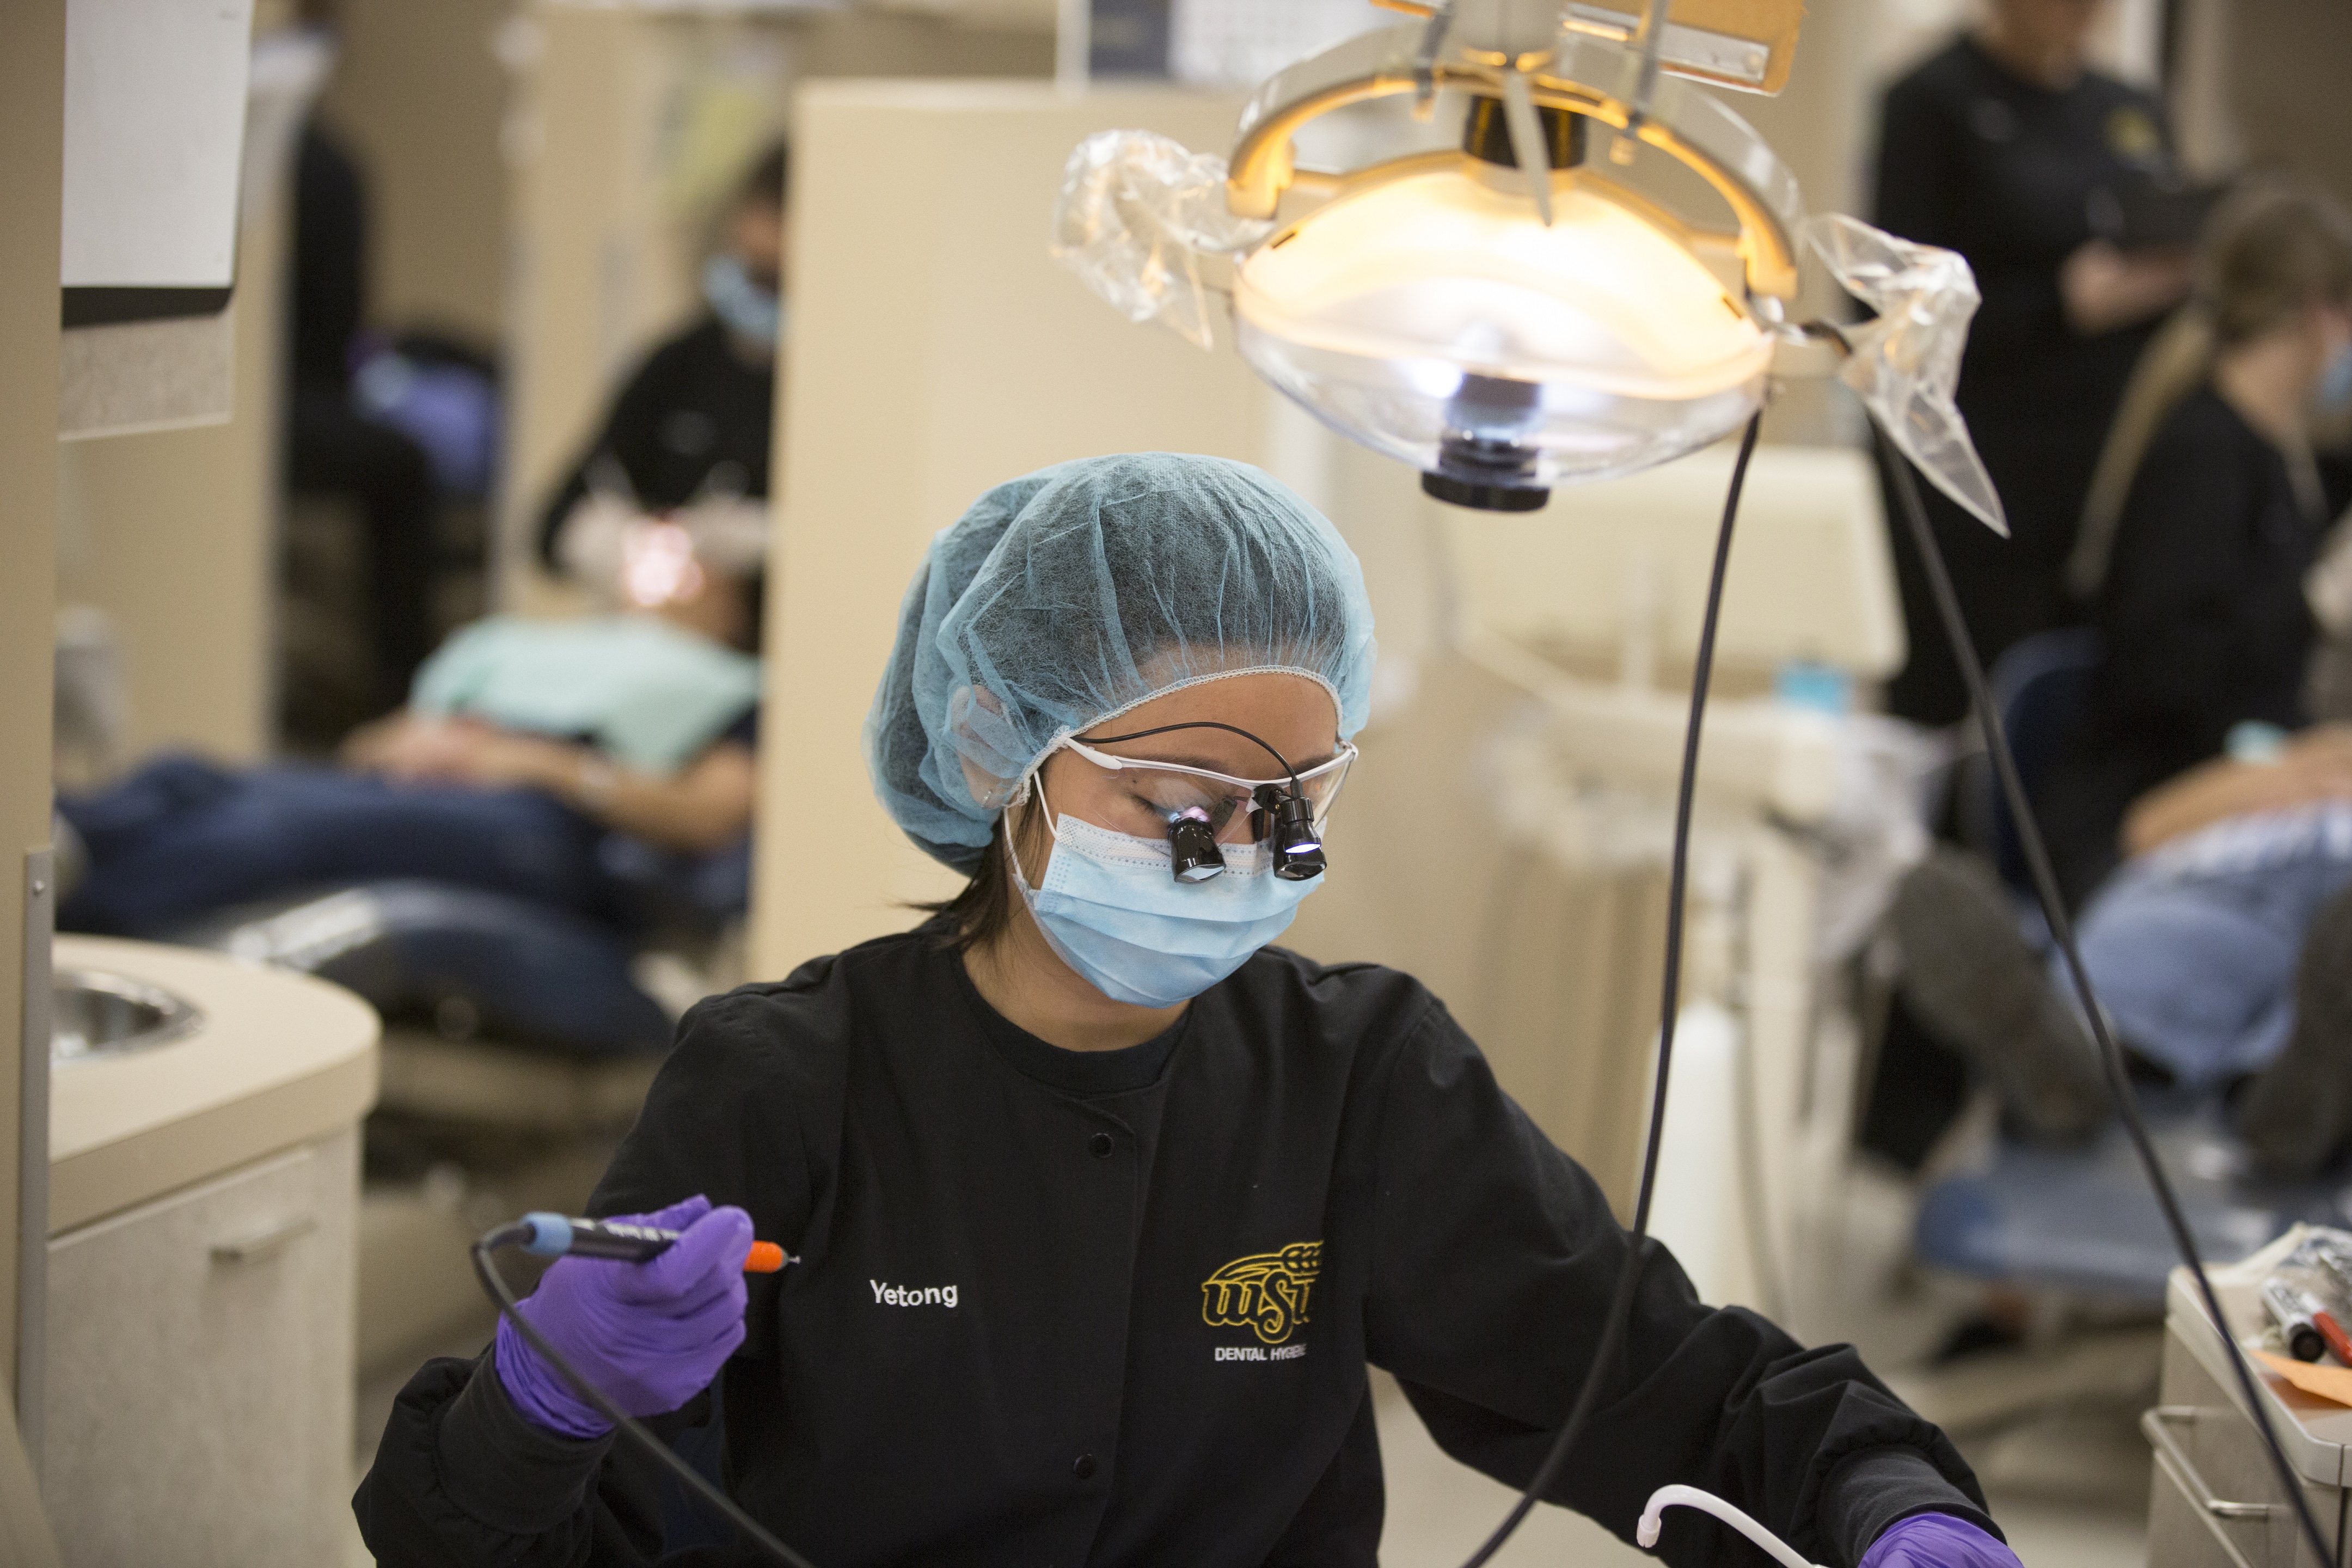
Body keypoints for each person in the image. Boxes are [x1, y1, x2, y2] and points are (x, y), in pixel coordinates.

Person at [352, 455, 2017, 1568]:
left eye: (1297, 800)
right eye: (1186, 794)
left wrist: (1888, 1505)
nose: (1249, 854)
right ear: (1003, 743)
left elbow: (1665, 1388)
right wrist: (542, 1407)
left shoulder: (1361, 1082)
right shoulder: (785, 1089)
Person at [53, 524, 761, 941]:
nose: (676, 566)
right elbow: (366, 748)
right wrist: (400, 745)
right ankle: (54, 842)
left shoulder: (735, 684)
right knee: (184, 776)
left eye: (700, 566)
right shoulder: (550, 644)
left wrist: (528, 762)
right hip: (433, 774)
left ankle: (68, 923)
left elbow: (710, 815)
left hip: (546, 820)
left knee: (279, 833)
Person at [1872, 0, 2196, 728]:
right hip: (1976, 464)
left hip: (2104, 470)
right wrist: (2061, 305)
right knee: (1960, 703)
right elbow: (1889, 308)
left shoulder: (2129, 108)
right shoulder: (1932, 101)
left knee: (2073, 708)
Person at [2038, 183, 2352, 906]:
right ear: (2316, 313)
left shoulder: (2273, 461)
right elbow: (2166, 674)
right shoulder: (2203, 454)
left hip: (2211, 773)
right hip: (2140, 806)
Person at [537, 143, 787, 578]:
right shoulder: (679, 363)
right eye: (753, 272)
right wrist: (641, 550)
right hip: (662, 625)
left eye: (776, 280)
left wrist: (757, 545)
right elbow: (553, 526)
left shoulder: (850, 388)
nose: (758, 294)